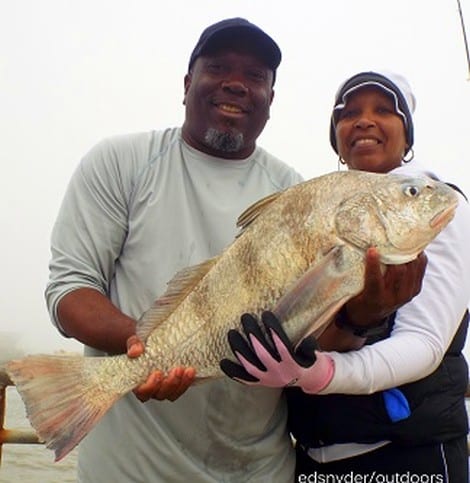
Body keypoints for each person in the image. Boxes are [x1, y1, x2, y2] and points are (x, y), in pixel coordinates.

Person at [45, 17, 425, 482]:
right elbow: (69, 290)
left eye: (256, 77)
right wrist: (145, 350)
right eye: (219, 67)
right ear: (187, 84)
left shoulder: (298, 193)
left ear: (270, 100)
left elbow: (309, 339)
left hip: (260, 469)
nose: (236, 84)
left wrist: (363, 316)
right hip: (128, 470)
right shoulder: (121, 162)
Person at [222, 70, 470, 481]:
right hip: (316, 460)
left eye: (385, 111)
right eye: (348, 112)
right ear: (336, 139)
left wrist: (318, 374)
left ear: (407, 136)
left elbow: (423, 343)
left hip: (407, 458)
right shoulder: (325, 212)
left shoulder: (434, 202)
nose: (364, 120)